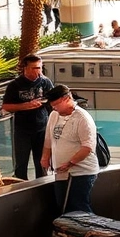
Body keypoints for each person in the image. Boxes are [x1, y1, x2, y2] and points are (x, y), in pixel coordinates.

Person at [41, 84, 99, 214]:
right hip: (61, 172)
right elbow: (48, 139)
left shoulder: (82, 118)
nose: (54, 108)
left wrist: (70, 163)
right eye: (52, 105)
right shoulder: (54, 115)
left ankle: (88, 231)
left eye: (56, 104)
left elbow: (87, 147)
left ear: (67, 99)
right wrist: (45, 157)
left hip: (81, 172)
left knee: (79, 206)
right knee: (64, 206)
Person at [2, 55, 54, 180]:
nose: (38, 71)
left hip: (42, 128)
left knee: (42, 163)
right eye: (34, 68)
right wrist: (25, 106)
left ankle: (41, 190)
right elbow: (6, 106)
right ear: (25, 68)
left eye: (40, 68)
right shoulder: (15, 85)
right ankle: (20, 189)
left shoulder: (45, 82)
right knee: (21, 164)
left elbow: (53, 102)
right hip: (22, 130)